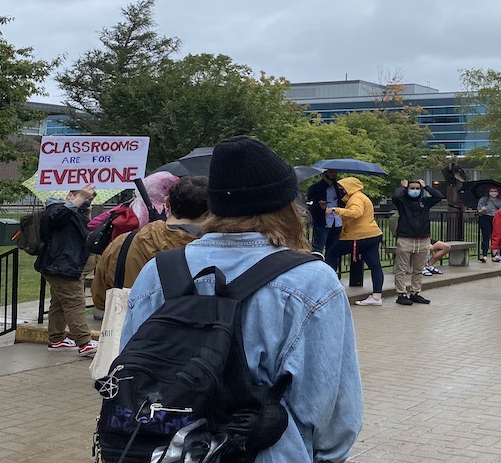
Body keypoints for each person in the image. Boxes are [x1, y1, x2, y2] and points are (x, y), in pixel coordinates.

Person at [120, 135, 362, 460]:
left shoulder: (157, 272)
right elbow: (331, 408)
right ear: (286, 205)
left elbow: (127, 374)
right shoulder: (311, 282)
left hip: (168, 449)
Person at [92, 175, 209, 310]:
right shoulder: (215, 253)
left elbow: (100, 298)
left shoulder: (123, 243)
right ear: (209, 212)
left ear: (167, 203)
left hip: (129, 327)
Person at [36, 184, 99, 356]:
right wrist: (80, 198)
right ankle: (84, 342)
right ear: (69, 195)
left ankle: (56, 338)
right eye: (80, 196)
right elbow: (59, 216)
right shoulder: (54, 209)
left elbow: (85, 231)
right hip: (62, 266)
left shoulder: (72, 212)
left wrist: (85, 208)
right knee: (74, 302)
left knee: (59, 303)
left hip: (62, 266)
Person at [326, 177, 387, 305]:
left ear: (349, 187)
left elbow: (356, 213)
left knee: (332, 254)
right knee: (375, 265)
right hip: (372, 234)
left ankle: (329, 285)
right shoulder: (362, 196)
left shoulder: (356, 198)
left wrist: (334, 210)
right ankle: (377, 296)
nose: (341, 190)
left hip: (358, 236)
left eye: (343, 188)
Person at [391, 178, 443, 305]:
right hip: (406, 239)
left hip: (422, 239)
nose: (414, 190)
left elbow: (439, 196)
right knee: (401, 269)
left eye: (417, 188)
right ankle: (401, 293)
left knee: (418, 269)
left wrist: (427, 187)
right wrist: (403, 187)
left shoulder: (425, 201)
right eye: (411, 188)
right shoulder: (402, 201)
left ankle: (415, 292)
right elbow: (395, 197)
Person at [305, 169, 343, 255]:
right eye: (331, 172)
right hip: (322, 223)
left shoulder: (339, 188)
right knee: (317, 250)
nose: (334, 174)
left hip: (337, 222)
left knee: (333, 251)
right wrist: (319, 206)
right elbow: (309, 205)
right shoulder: (315, 188)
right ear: (324, 173)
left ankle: (331, 268)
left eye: (335, 172)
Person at [476, 186, 501, 262]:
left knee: (495, 236)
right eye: (491, 191)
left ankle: (495, 254)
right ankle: (484, 255)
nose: (493, 192)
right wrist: (482, 210)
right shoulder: (484, 199)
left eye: (495, 191)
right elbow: (478, 211)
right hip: (485, 218)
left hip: (496, 218)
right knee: (486, 236)